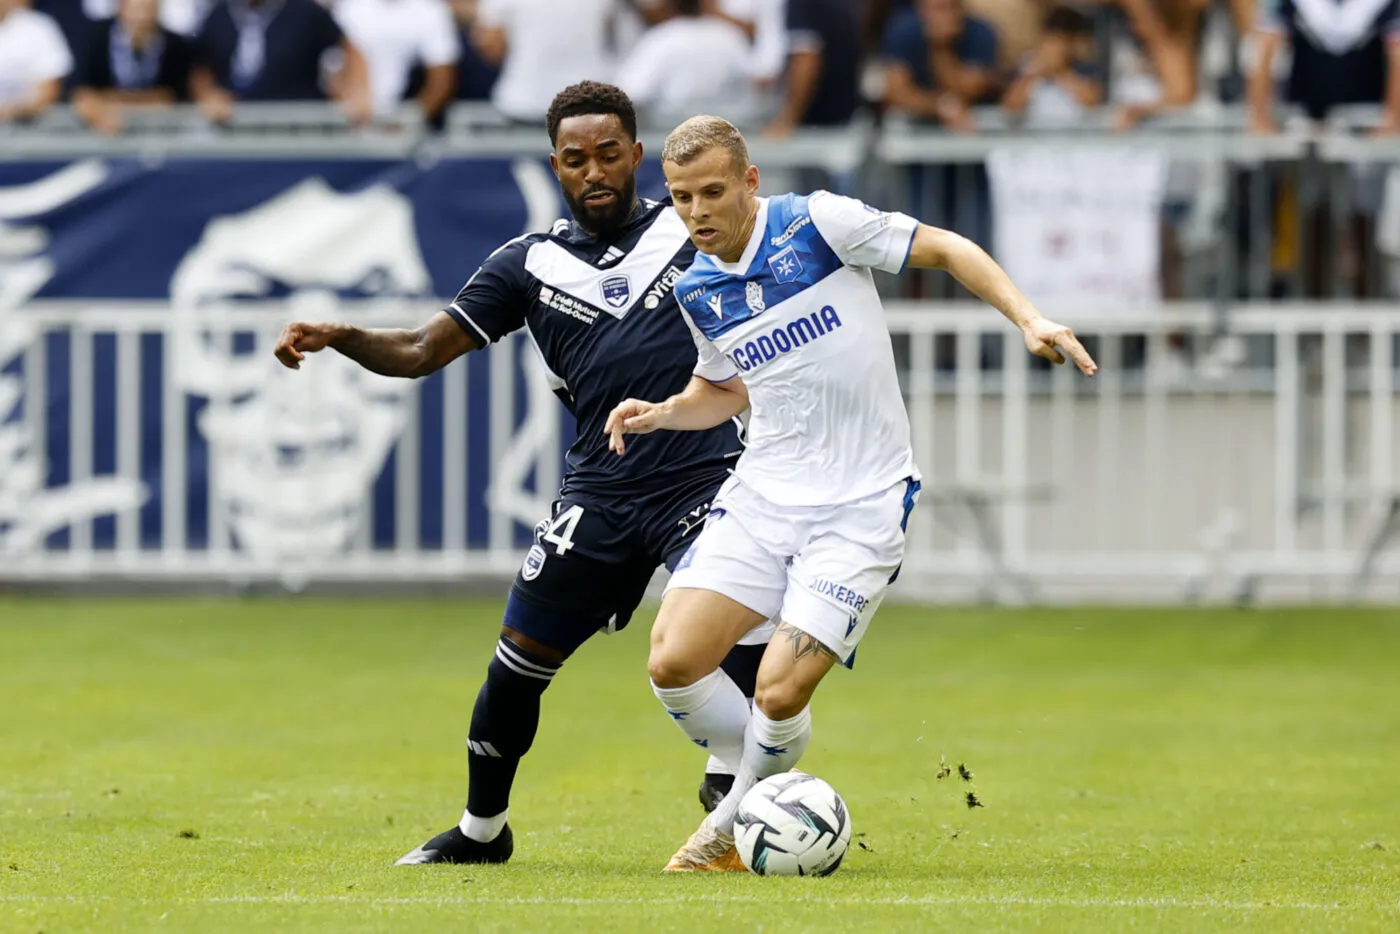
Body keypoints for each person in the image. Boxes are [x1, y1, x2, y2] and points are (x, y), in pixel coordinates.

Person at [271, 83, 771, 866]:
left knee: (727, 619)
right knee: (517, 663)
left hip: (704, 475)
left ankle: (736, 775)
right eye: (576, 159)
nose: (595, 171)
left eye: (610, 154)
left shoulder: (689, 227)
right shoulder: (527, 264)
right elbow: (417, 351)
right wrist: (342, 335)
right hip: (600, 495)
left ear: (636, 156)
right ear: (556, 166)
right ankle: (481, 833)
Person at [603, 115, 1097, 871]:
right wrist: (665, 412)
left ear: (750, 181)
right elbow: (724, 387)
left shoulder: (818, 225)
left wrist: (1028, 317)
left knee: (777, 690)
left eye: (711, 192)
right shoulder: (698, 287)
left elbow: (947, 247)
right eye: (679, 197)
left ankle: (732, 827)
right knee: (670, 660)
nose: (697, 211)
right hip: (764, 495)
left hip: (860, 503)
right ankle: (769, 781)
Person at [71, 0, 197, 136]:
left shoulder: (176, 45)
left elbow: (170, 98)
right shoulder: (94, 38)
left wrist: (112, 101)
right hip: (101, 133)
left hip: (160, 133)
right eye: (136, 9)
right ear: (120, 9)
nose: (141, 17)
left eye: (148, 9)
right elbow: (83, 95)